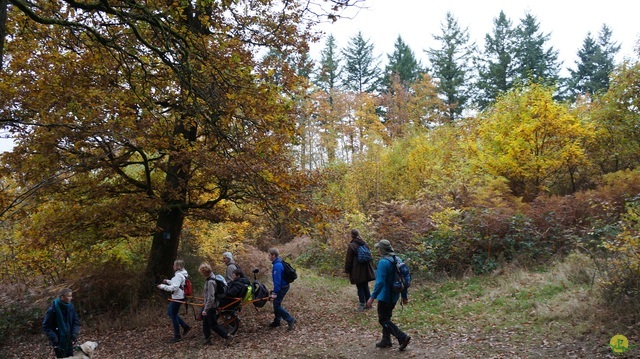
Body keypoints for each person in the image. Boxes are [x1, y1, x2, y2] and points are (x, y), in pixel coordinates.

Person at [365, 239, 411, 351]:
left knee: (383, 320)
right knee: (387, 317)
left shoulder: (383, 263)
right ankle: (386, 340)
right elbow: (403, 279)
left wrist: (372, 297)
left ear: (381, 250)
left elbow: (380, 282)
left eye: (378, 249)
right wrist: (404, 296)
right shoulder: (398, 259)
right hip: (395, 295)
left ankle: (402, 337)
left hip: (385, 296)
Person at [198, 262, 235, 346]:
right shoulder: (212, 277)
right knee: (205, 323)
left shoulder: (211, 281)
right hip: (209, 305)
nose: (202, 274)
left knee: (213, 324)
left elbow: (211, 297)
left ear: (205, 272)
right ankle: (207, 339)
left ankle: (227, 336)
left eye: (202, 272)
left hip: (211, 306)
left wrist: (205, 309)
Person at [157, 259, 191, 342]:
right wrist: (168, 281)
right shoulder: (181, 274)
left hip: (177, 297)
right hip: (178, 296)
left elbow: (175, 287)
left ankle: (177, 335)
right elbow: (177, 283)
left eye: (174, 265)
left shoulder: (178, 275)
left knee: (173, 314)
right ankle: (185, 326)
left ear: (178, 266)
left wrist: (162, 286)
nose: (173, 266)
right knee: (170, 313)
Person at [42, 288, 80, 358]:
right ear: (62, 297)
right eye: (69, 296)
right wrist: (54, 338)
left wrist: (74, 333)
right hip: (58, 341)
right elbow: (46, 326)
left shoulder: (71, 307)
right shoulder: (52, 310)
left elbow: (75, 321)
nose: (71, 298)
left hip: (69, 339)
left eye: (71, 296)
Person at [345, 229, 376, 311]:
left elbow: (349, 260)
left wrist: (347, 270)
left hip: (357, 269)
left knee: (360, 287)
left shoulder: (352, 245)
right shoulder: (365, 243)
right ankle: (369, 304)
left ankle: (362, 304)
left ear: (352, 235)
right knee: (365, 285)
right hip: (366, 269)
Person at [267, 247, 296, 330]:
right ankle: (277, 321)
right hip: (284, 286)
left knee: (276, 305)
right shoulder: (279, 262)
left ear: (273, 255)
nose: (268, 257)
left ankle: (290, 319)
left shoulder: (277, 266)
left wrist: (274, 293)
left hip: (282, 287)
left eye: (269, 255)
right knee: (276, 304)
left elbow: (277, 281)